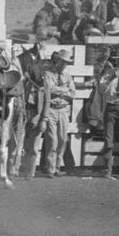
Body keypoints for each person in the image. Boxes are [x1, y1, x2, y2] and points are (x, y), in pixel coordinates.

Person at [23, 49, 75, 179]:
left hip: (63, 110)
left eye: (66, 62)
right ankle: (50, 168)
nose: (64, 64)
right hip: (51, 108)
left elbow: (73, 93)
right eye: (63, 61)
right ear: (58, 61)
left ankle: (57, 167)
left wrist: (59, 91)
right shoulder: (48, 74)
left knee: (62, 139)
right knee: (52, 140)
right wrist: (64, 90)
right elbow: (48, 89)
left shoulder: (68, 76)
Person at [95, 45, 119, 179]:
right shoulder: (108, 73)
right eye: (118, 60)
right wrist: (111, 78)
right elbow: (101, 90)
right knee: (108, 140)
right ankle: (107, 170)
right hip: (111, 108)